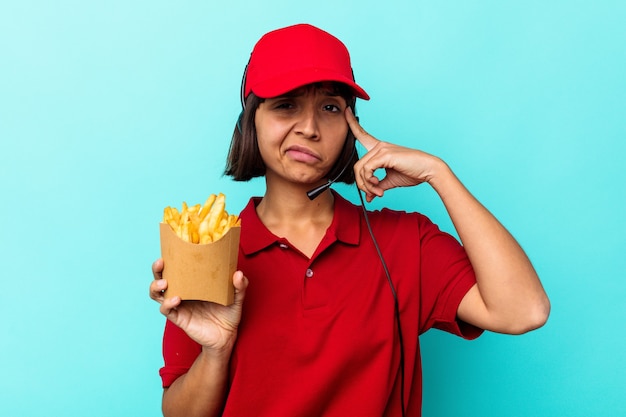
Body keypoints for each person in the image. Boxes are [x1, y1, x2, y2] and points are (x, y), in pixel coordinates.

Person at [149, 23, 550, 417]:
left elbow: (524, 311)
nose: (309, 127)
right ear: (250, 119)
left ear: (352, 126)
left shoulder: (406, 241)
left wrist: (437, 173)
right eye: (286, 104)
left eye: (330, 107)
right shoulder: (209, 249)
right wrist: (217, 353)